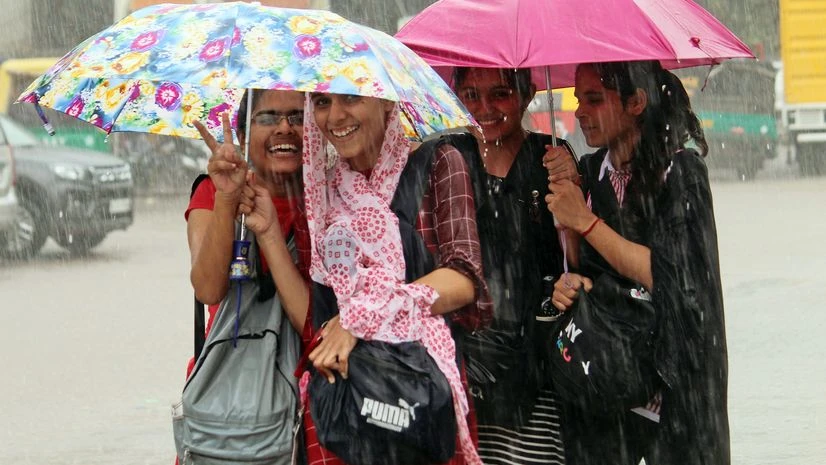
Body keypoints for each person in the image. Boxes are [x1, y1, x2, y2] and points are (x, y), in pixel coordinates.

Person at [545, 60, 730, 464]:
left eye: (594, 99)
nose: (579, 111)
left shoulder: (680, 172)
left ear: (636, 103)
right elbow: (583, 268)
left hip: (675, 379)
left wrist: (586, 221)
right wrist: (569, 272)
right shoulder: (591, 171)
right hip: (609, 380)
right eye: (578, 98)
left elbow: (667, 274)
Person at [299, 92, 493, 465]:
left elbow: (463, 279)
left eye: (351, 98)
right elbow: (318, 313)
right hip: (344, 394)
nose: (335, 117)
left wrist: (360, 317)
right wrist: (268, 233)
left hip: (418, 384)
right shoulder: (320, 190)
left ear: (388, 102)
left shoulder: (436, 163)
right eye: (322, 103)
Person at [443, 67, 579, 465]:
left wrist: (571, 191)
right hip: (461, 359)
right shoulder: (444, 157)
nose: (484, 108)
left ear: (529, 92)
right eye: (470, 95)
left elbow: (576, 257)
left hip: (537, 359)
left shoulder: (552, 156)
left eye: (499, 93)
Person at [186, 89, 310, 342]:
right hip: (233, 372)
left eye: (299, 117)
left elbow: (319, 323)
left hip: (311, 370)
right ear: (243, 137)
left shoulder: (334, 196)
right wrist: (227, 199)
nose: (285, 128)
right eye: (267, 118)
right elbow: (208, 290)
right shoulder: (212, 190)